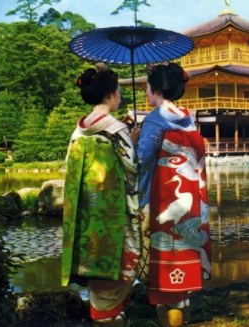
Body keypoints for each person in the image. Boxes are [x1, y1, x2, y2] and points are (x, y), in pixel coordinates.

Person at [133, 62, 212, 327]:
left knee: (165, 284)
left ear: (153, 89)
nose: (145, 92)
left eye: (146, 87)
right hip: (189, 205)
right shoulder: (188, 119)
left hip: (160, 203)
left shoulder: (155, 119)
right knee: (182, 287)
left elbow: (141, 160)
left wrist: (133, 140)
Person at [62, 63, 140, 325]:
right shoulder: (116, 130)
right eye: (118, 90)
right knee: (119, 268)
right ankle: (110, 316)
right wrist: (135, 142)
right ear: (112, 94)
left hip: (86, 214)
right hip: (114, 213)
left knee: (94, 267)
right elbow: (133, 171)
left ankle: (103, 313)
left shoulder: (78, 131)